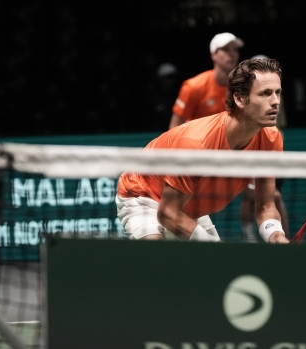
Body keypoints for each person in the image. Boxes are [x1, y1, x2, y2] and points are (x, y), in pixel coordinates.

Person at [116, 59, 289, 244]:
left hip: (186, 205)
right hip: (144, 196)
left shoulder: (271, 138)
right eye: (265, 94)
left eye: (278, 92)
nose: (275, 102)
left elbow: (265, 206)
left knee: (215, 269)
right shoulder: (196, 143)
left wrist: (277, 236)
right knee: (157, 262)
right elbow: (168, 213)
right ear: (239, 99)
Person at [240, 54, 290, 242]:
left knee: (274, 197)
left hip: (270, 150)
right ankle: (249, 236)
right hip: (248, 151)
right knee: (249, 195)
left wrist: (274, 145)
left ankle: (282, 238)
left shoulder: (275, 94)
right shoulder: (246, 92)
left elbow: (278, 125)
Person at [168, 32, 244, 130]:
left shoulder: (244, 86)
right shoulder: (193, 86)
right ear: (214, 55)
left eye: (235, 49)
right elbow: (175, 127)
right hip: (196, 143)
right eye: (226, 49)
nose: (232, 54)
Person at [149, 62, 180, 130]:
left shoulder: (180, 96)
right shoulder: (152, 98)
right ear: (160, 79)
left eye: (172, 77)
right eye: (167, 78)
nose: (170, 81)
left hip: (175, 132)